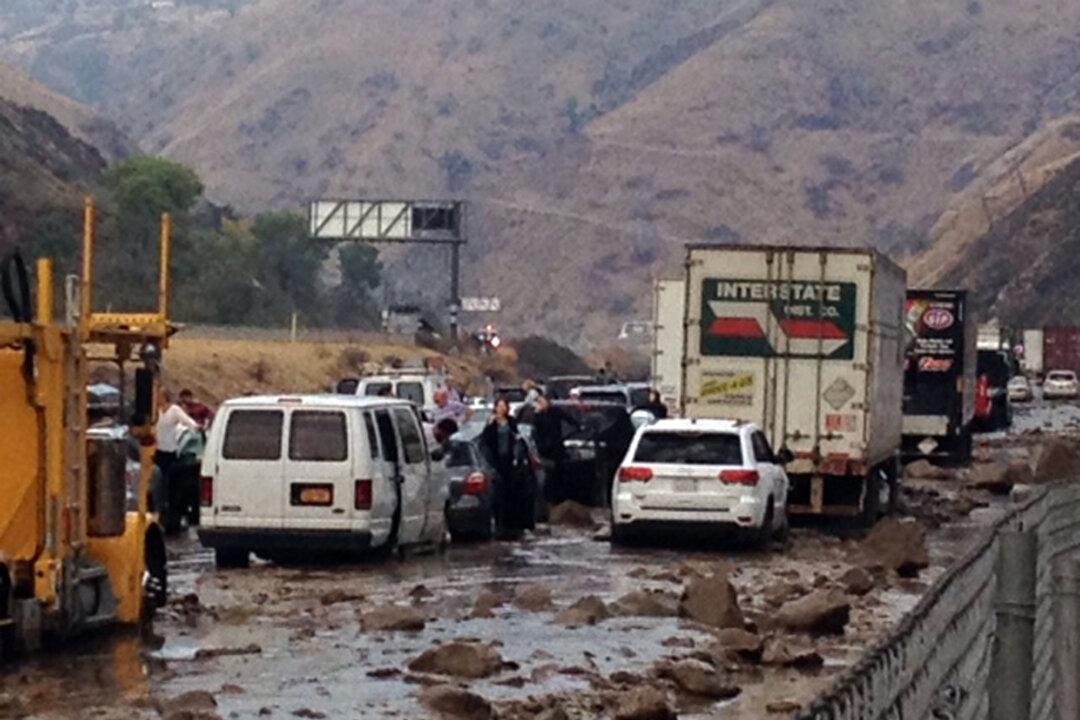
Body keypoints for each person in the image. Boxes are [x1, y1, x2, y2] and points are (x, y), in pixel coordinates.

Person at [479, 396, 536, 539]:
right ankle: (500, 524)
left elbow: (518, 439)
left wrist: (518, 455)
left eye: (504, 406)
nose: (501, 409)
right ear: (495, 407)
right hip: (497, 462)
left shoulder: (511, 422)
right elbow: (484, 442)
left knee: (513, 493)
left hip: (510, 462)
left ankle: (513, 525)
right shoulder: (491, 424)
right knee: (499, 494)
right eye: (499, 406)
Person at [531, 391, 579, 506]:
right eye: (539, 402)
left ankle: (560, 498)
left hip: (557, 447)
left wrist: (578, 426)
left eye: (543, 401)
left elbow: (568, 419)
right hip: (544, 450)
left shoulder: (555, 411)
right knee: (548, 474)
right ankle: (550, 499)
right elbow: (536, 433)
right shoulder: (537, 416)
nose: (541, 404)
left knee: (559, 472)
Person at [154, 390, 200, 478]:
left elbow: (186, 419)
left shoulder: (174, 410)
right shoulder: (157, 410)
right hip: (158, 449)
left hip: (169, 450)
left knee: (167, 475)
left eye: (159, 397)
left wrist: (195, 427)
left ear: (164, 398)